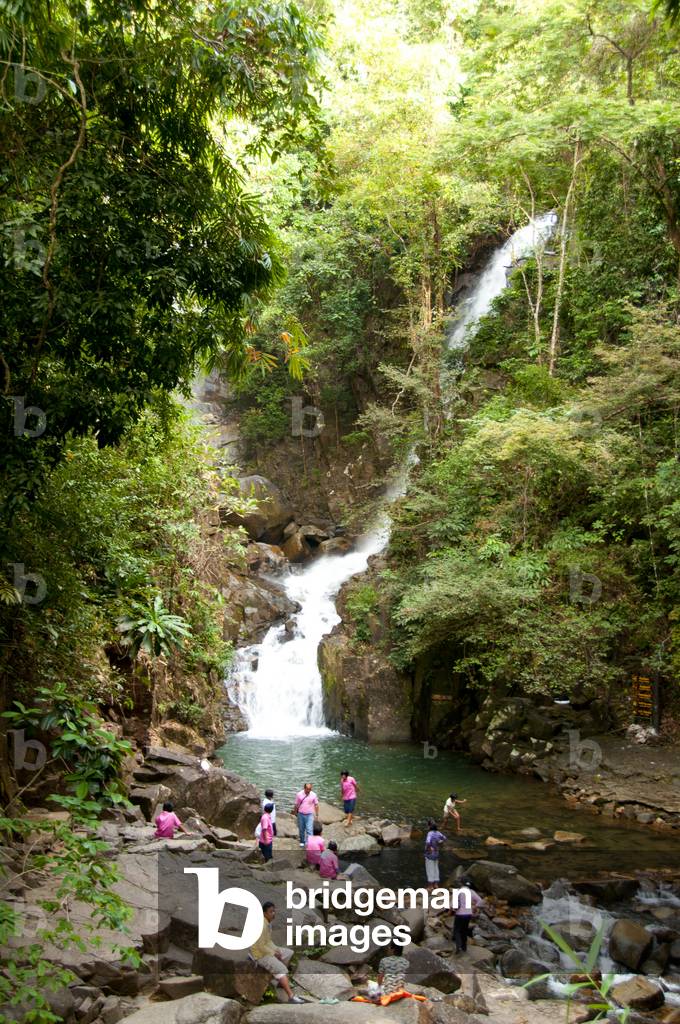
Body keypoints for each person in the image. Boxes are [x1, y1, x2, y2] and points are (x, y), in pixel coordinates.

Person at [249, 901, 304, 1004]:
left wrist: (276, 949)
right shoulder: (261, 925)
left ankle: (281, 981)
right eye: (271, 912)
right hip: (259, 954)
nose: (273, 913)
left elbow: (268, 941)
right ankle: (291, 996)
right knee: (282, 969)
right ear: (264, 913)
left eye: (274, 911)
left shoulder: (267, 923)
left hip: (266, 949)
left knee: (288, 953)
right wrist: (273, 953)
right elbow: (260, 946)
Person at [452, 877, 483, 954]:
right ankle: (464, 947)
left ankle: (458, 946)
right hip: (468, 914)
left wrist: (452, 908)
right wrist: (474, 907)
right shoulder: (471, 891)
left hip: (459, 914)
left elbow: (453, 904)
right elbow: (480, 901)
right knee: (464, 931)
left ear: (461, 883)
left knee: (457, 930)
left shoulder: (458, 891)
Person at [293, 782, 319, 848]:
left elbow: (316, 805)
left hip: (310, 814)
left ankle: (309, 843)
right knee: (301, 829)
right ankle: (302, 841)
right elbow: (296, 804)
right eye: (307, 789)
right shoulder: (299, 794)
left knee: (309, 830)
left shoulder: (313, 795)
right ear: (304, 788)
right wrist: (295, 813)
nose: (308, 790)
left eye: (310, 789)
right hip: (301, 814)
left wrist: (316, 815)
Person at [424, 818, 446, 891]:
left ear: (429, 826)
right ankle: (436, 885)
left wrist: (428, 848)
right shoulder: (438, 833)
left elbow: (427, 842)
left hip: (429, 854)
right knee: (436, 869)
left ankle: (430, 886)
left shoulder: (430, 833)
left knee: (430, 869)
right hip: (436, 853)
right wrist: (439, 842)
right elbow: (444, 838)